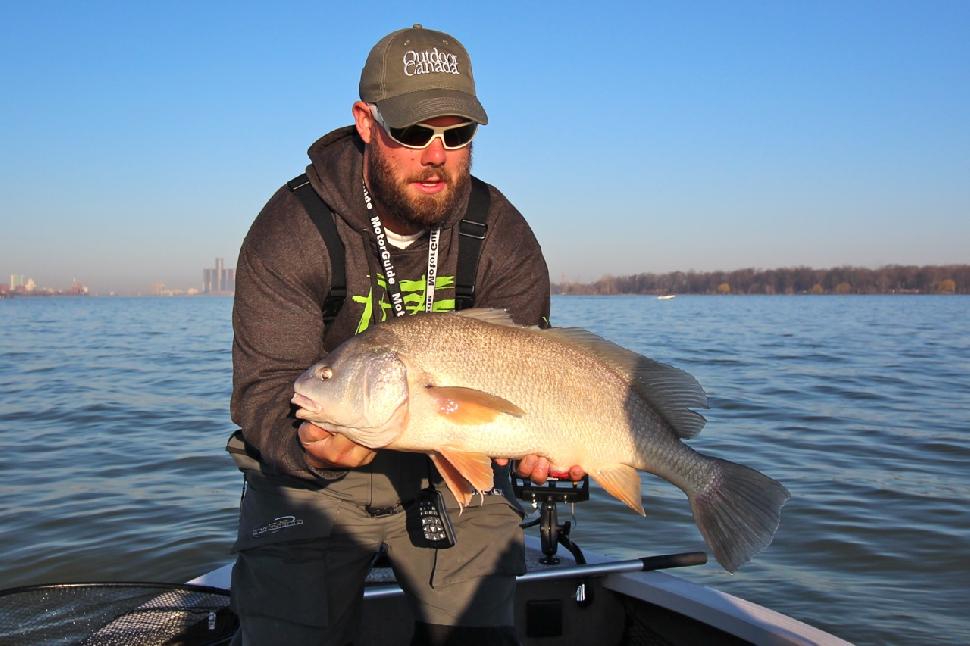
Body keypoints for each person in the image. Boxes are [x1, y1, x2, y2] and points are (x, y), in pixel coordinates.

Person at [227, 24, 584, 645]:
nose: (437, 154)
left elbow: (539, 371)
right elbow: (263, 391)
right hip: (319, 483)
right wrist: (303, 446)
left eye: (458, 133)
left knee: (478, 633)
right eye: (413, 131)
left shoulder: (501, 233)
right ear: (367, 123)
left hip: (455, 473)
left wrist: (546, 443)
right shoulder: (292, 228)